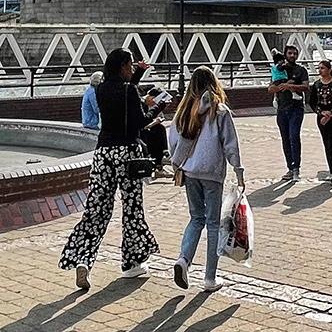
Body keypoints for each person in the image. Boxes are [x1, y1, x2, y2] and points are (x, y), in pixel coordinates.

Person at [60, 48, 160, 289]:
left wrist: (138, 75)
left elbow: (124, 92)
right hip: (127, 154)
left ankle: (83, 259)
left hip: (103, 153)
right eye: (130, 65)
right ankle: (132, 263)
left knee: (97, 208)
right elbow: (139, 121)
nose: (132, 68)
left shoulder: (101, 89)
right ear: (123, 66)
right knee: (132, 208)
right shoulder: (129, 91)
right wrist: (158, 107)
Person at [167, 66, 245, 292]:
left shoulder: (184, 110)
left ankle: (184, 259)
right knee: (213, 224)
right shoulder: (219, 111)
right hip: (212, 173)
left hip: (189, 172)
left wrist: (177, 164)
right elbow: (230, 144)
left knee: (195, 218)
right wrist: (238, 171)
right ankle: (210, 278)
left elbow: (173, 141)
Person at [269, 44, 309, 180]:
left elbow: (305, 87)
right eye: (290, 53)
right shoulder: (278, 69)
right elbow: (270, 88)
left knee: (294, 136)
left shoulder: (301, 70)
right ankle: (290, 168)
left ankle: (296, 168)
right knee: (285, 139)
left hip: (296, 108)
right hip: (282, 109)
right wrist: (280, 87)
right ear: (285, 55)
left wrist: (290, 85)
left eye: (295, 53)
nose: (292, 56)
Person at [140, 86, 172, 173]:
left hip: (148, 129)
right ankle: (159, 162)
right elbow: (143, 124)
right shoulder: (142, 105)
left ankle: (160, 162)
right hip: (141, 131)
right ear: (151, 97)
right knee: (158, 131)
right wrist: (154, 123)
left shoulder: (149, 105)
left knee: (159, 129)